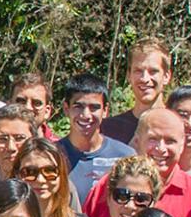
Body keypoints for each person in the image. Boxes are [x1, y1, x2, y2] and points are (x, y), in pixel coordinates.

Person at [79, 107, 191, 217]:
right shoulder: (109, 188)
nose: (161, 148)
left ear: (182, 145)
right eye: (153, 139)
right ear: (137, 141)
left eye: (170, 141)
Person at [56, 74, 135, 204]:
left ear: (105, 110)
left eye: (94, 107)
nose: (86, 115)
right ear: (66, 109)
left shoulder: (125, 156)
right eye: (78, 107)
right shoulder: (52, 155)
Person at [6, 138, 88, 217]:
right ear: (17, 175)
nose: (40, 180)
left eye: (50, 171)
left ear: (61, 174)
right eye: (30, 172)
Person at [99, 37, 173, 146]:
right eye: (138, 71)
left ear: (166, 76)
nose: (144, 79)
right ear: (129, 75)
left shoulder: (178, 127)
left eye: (153, 71)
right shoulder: (109, 129)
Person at [6, 72, 59, 141]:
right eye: (21, 101)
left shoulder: (59, 146)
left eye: (36, 103)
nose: (28, 107)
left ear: (47, 111)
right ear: (8, 105)